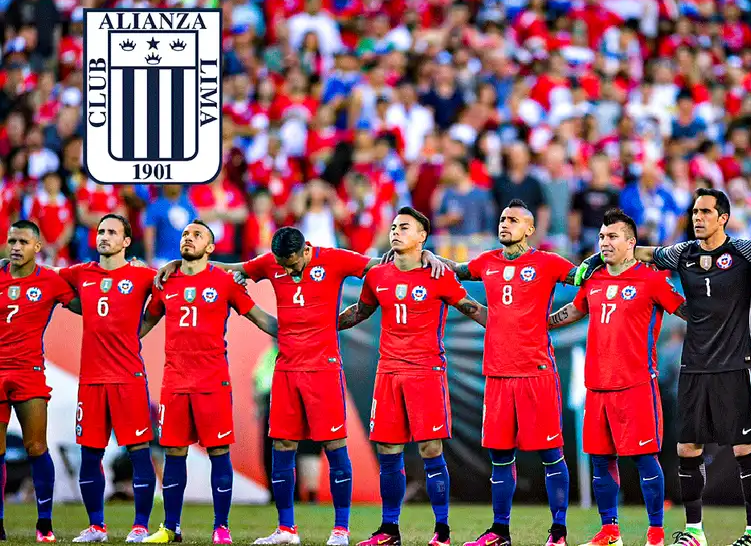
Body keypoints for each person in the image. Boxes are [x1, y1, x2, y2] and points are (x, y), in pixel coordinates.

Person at [579, 188, 751, 546]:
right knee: (687, 448)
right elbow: (643, 252)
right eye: (695, 211)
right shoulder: (682, 253)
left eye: (705, 212)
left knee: (743, 449)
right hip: (694, 364)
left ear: (722, 218)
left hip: (735, 364)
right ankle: (694, 531)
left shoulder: (746, 251)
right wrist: (599, 258)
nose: (697, 217)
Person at [155, 227, 444, 546]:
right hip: (286, 369)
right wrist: (177, 265)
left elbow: (380, 265)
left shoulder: (334, 259)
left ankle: (341, 530)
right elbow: (234, 269)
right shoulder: (272, 263)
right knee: (282, 448)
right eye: (282, 265)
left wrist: (423, 256)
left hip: (323, 369)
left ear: (306, 250)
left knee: (334, 447)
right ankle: (286, 529)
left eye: (292, 264)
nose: (288, 270)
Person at [337, 207, 487, 546]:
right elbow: (359, 312)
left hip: (426, 372)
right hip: (388, 372)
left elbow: (473, 309)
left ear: (422, 237)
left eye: (405, 227)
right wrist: (323, 325)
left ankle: (442, 531)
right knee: (388, 450)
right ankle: (389, 530)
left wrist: (513, 331)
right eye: (393, 227)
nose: (395, 231)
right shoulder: (377, 275)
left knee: (430, 448)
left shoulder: (439, 275)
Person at [439, 199, 578, 546]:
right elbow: (457, 269)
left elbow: (582, 278)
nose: (505, 224)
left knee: (550, 452)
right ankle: (500, 531)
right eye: (502, 218)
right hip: (498, 373)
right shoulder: (487, 261)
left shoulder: (547, 262)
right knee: (500, 454)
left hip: (536, 371)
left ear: (530, 229)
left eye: (514, 220)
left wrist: (557, 319)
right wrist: (430, 257)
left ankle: (558, 531)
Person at [548, 209, 686, 546]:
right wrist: (536, 324)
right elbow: (572, 312)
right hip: (597, 386)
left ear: (630, 242)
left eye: (612, 237)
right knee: (600, 460)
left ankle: (655, 534)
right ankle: (610, 532)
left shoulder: (651, 279)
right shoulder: (593, 280)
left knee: (644, 459)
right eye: (601, 237)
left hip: (637, 385)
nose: (604, 243)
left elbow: (686, 311)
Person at [139, 220, 279, 544]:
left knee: (218, 452)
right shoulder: (165, 281)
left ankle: (221, 528)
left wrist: (298, 333)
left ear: (211, 248)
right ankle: (170, 528)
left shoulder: (225, 282)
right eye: (186, 234)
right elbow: (147, 320)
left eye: (197, 235)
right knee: (174, 453)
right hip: (174, 381)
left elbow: (259, 317)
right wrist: (122, 343)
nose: (189, 238)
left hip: (212, 381)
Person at [58, 215, 159, 543]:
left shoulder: (143, 275)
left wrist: (137, 332)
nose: (104, 236)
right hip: (91, 379)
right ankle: (96, 527)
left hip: (128, 377)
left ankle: (140, 526)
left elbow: (171, 287)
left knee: (139, 451)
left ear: (127, 241)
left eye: (112, 232)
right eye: (101, 231)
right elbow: (46, 281)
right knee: (90, 453)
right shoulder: (81, 272)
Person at [0, 220, 76, 542]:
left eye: (22, 242)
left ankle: (44, 522)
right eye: (11, 240)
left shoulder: (50, 280)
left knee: (35, 446)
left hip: (28, 371)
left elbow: (89, 308)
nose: (15, 247)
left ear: (37, 247)